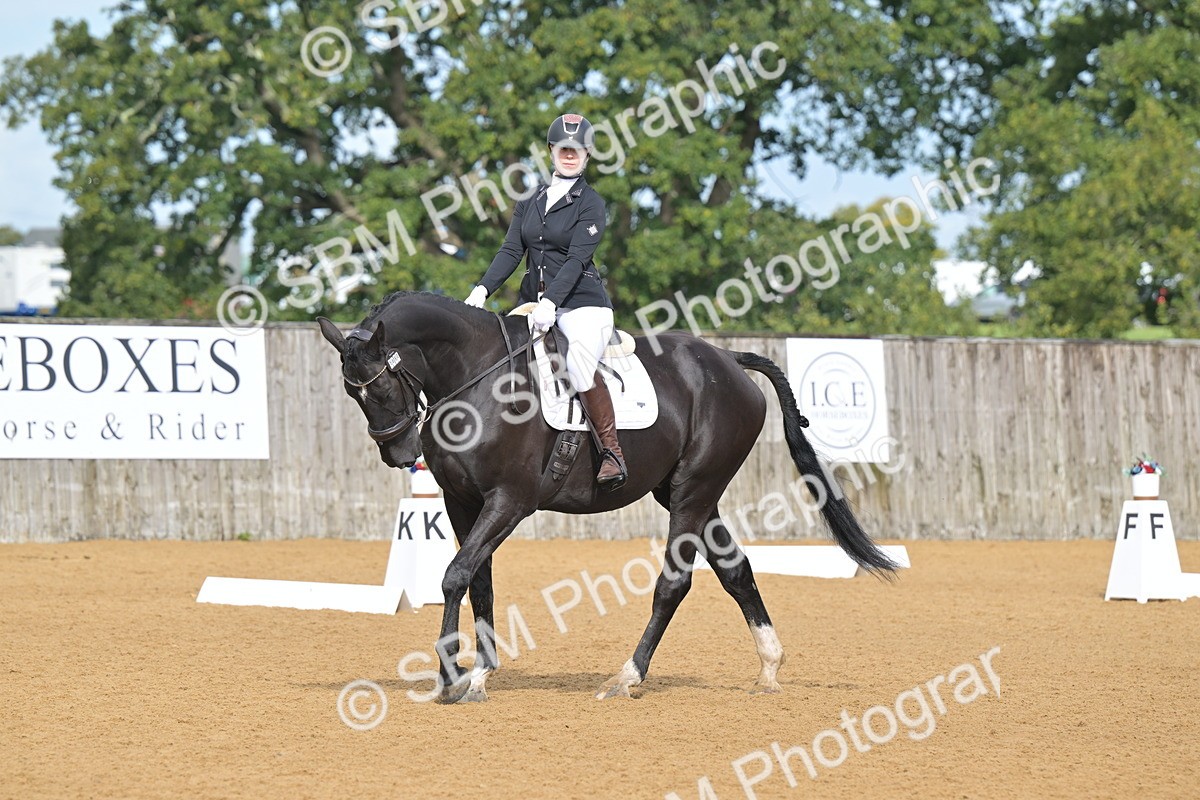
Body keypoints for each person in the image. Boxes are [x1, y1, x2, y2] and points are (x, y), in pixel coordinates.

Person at [464, 114, 627, 490]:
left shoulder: (591, 204)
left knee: (579, 365)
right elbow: (511, 249)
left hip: (582, 306)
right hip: (533, 305)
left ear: (587, 155)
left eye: (577, 150)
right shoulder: (530, 199)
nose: (569, 155)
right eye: (563, 149)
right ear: (551, 151)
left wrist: (551, 302)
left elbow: (577, 259)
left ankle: (612, 451)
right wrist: (482, 290)